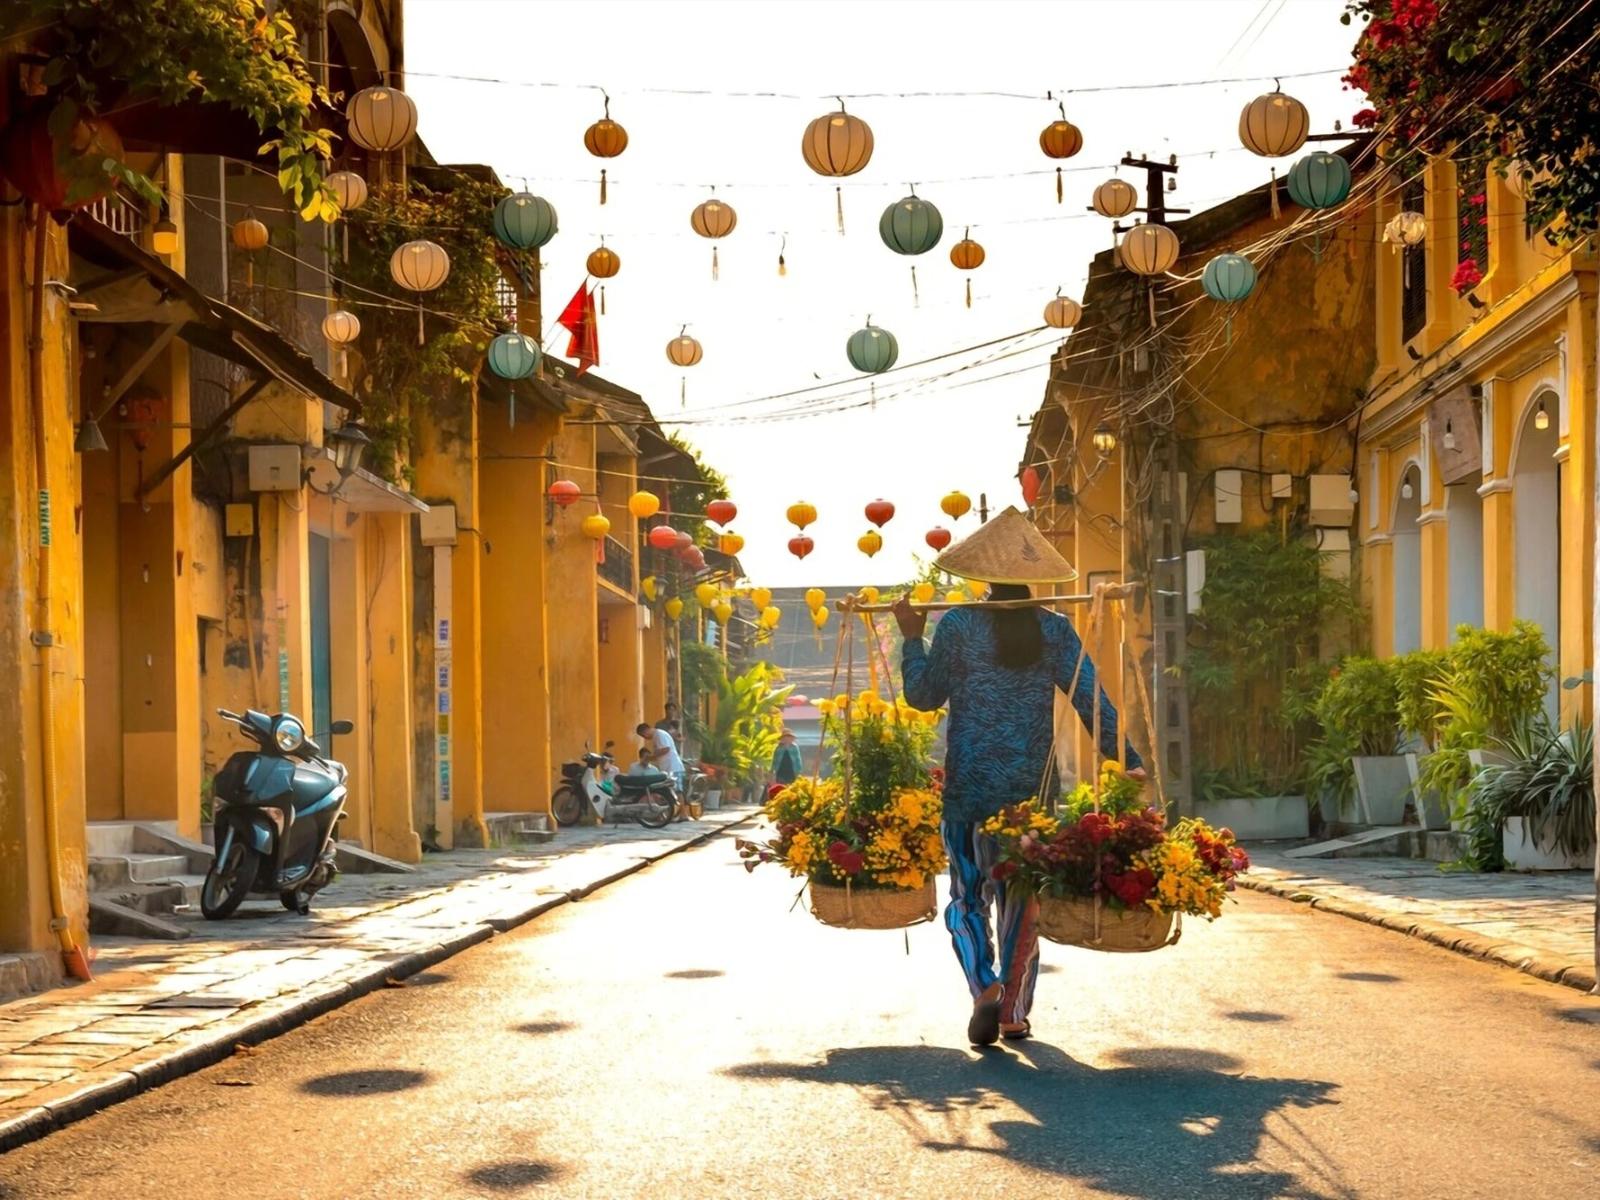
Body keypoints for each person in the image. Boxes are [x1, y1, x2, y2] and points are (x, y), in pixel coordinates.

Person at [892, 507, 1144, 1048]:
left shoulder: (957, 625)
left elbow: (922, 696)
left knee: (965, 897)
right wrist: (1125, 755)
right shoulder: (1054, 629)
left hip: (967, 789)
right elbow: (1089, 697)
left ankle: (983, 984)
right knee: (1022, 897)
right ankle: (1011, 1012)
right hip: (1029, 795)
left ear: (982, 576)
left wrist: (912, 637)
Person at [636, 721, 685, 791]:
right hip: (667, 769)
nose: (645, 738)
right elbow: (659, 755)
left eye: (643, 735)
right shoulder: (655, 737)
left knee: (677, 791)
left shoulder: (659, 734)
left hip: (673, 768)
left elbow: (666, 749)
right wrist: (649, 759)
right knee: (670, 791)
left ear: (646, 731)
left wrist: (650, 757)